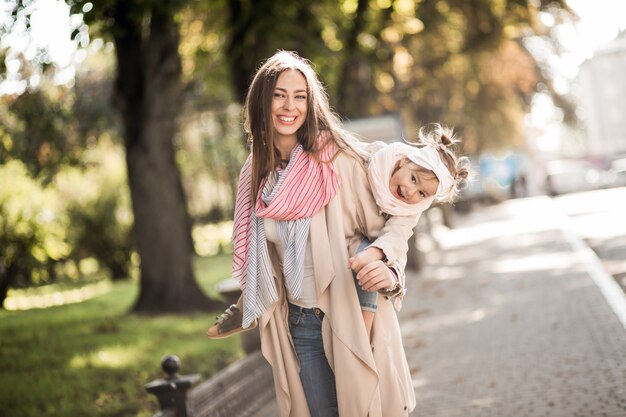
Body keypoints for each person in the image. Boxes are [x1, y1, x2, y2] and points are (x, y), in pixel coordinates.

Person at [208, 50, 466, 417]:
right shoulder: (256, 176)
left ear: (311, 103)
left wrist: (388, 271)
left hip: (348, 309)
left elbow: (394, 225)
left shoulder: (335, 159)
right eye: (279, 94)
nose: (289, 106)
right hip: (300, 321)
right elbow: (259, 255)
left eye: (300, 96)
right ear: (261, 100)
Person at [208, 124, 470, 340]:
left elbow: (398, 237)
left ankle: (363, 336)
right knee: (275, 236)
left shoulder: (410, 209)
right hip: (324, 229)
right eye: (413, 179)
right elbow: (343, 148)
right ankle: (248, 306)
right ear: (403, 161)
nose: (411, 192)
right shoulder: (373, 157)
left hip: (359, 250)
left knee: (367, 255)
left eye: (423, 193)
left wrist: (376, 253)